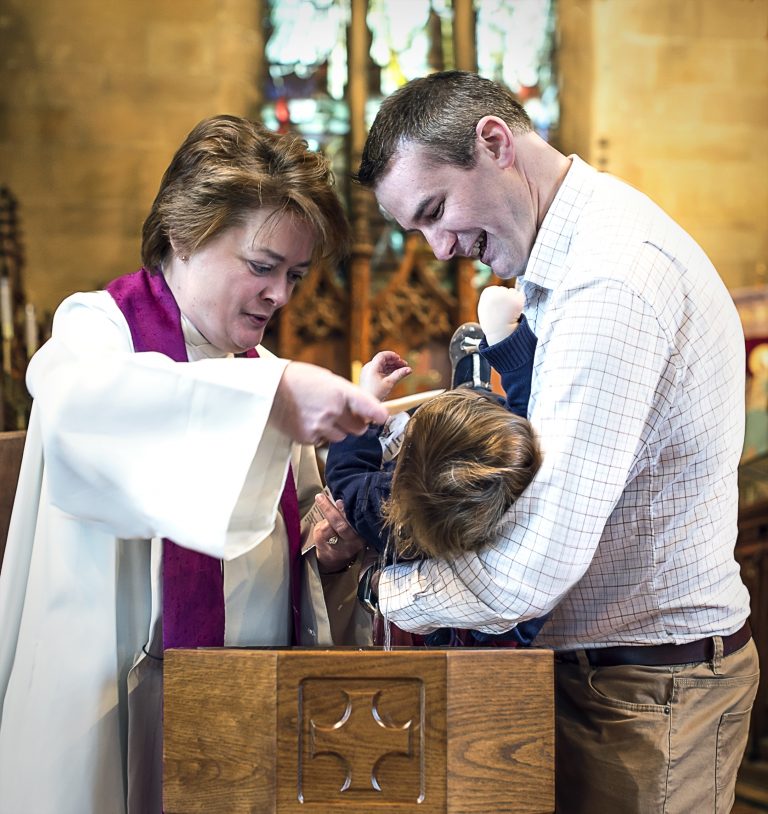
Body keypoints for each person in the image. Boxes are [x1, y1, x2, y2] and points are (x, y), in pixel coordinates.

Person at [356, 70, 759, 813]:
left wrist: (381, 589)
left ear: (495, 142)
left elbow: (536, 563)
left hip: (648, 693)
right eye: (417, 231)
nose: (440, 248)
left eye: (437, 210)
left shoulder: (610, 279)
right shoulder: (570, 260)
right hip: (610, 679)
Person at [0, 115, 386, 814]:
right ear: (183, 233)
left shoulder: (264, 375)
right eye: (263, 266)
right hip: (107, 705)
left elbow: (284, 543)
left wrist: (327, 550)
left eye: (296, 274)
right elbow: (76, 414)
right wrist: (271, 396)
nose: (283, 296)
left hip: (247, 715)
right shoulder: (98, 329)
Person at [325, 285, 546, 647]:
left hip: (437, 655)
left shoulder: (388, 508)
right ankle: (473, 387)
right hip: (516, 662)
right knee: (496, 415)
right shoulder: (524, 497)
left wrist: (366, 401)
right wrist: (508, 340)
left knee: (486, 415)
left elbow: (345, 476)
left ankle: (469, 388)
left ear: (401, 468)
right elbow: (532, 424)